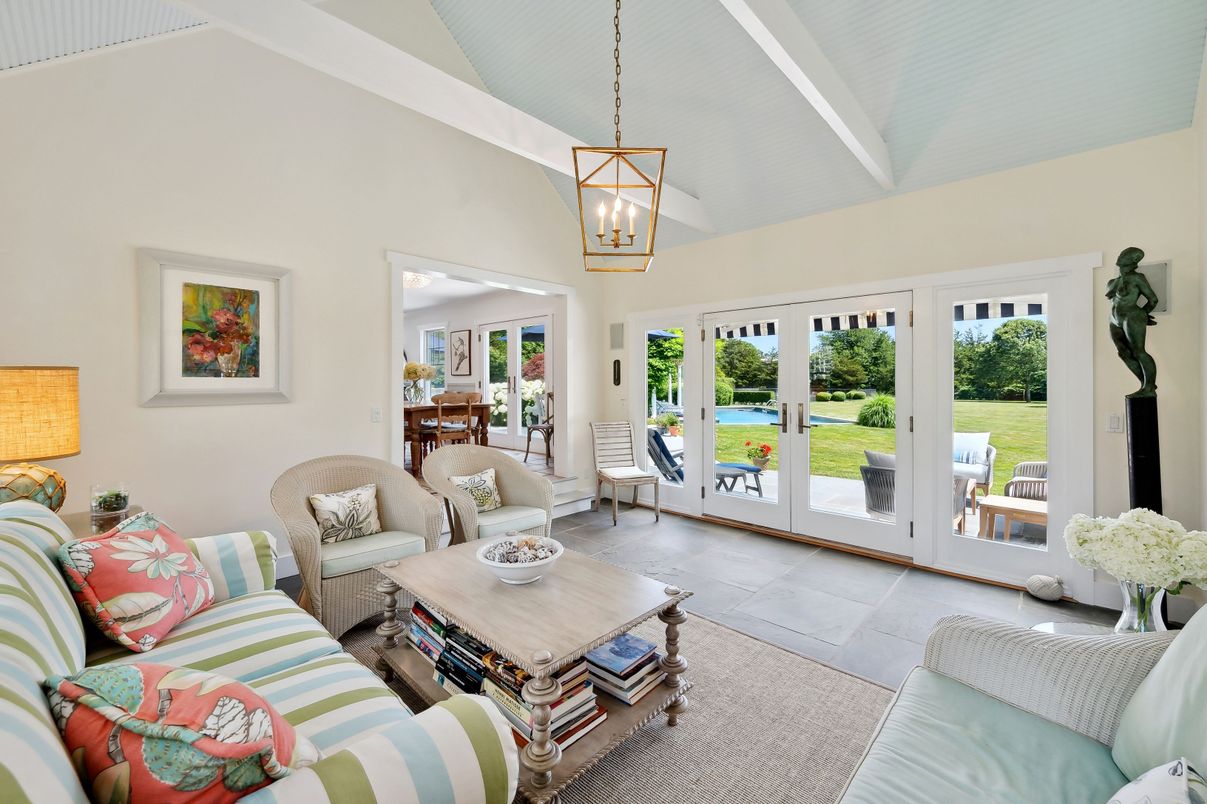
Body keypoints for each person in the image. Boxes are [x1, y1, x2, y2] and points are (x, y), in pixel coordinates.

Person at [1106, 246, 1158, 398]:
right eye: (1123, 252)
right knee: (1123, 353)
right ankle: (1146, 385)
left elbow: (1153, 299)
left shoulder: (1137, 278)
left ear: (1134, 260)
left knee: (1139, 351)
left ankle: (1148, 387)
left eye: (1126, 254)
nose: (1122, 255)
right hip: (1114, 319)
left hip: (1131, 316)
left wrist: (1142, 315)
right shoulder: (1113, 281)